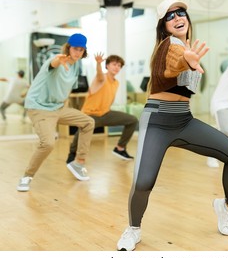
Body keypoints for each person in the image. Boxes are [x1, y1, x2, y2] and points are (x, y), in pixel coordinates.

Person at [116, 0, 228, 251]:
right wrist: (186, 60)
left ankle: (227, 208)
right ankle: (133, 229)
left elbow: (183, 72)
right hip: (157, 121)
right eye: (170, 16)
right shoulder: (169, 46)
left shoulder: (188, 47)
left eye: (181, 13)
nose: (177, 18)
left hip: (183, 120)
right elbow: (170, 67)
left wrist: (190, 58)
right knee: (143, 182)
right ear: (163, 26)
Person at [17, 33, 95, 192]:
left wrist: (63, 108)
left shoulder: (75, 67)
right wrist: (58, 61)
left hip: (58, 108)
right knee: (48, 143)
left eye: (81, 50)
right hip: (39, 108)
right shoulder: (57, 60)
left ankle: (78, 163)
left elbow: (66, 91)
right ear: (68, 47)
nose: (77, 52)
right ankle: (26, 176)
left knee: (88, 122)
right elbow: (53, 64)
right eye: (75, 48)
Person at [66, 53, 138, 163]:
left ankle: (120, 148)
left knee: (132, 120)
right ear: (107, 66)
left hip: (105, 114)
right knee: (81, 133)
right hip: (90, 115)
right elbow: (99, 75)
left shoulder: (116, 83)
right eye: (114, 64)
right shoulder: (102, 78)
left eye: (119, 65)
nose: (116, 67)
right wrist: (98, 64)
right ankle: (72, 154)